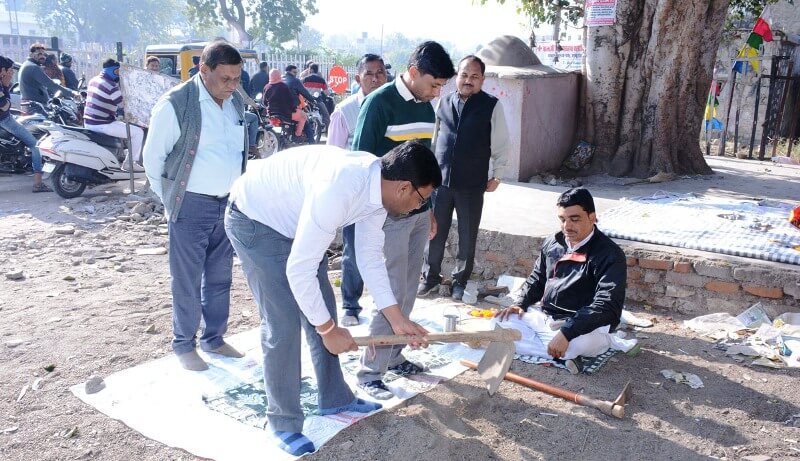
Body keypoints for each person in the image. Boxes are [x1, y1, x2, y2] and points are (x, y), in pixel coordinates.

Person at [224, 141, 438, 456]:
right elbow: (299, 271)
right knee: (283, 322)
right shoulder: (340, 188)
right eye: (422, 199)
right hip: (255, 220)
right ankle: (282, 421)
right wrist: (327, 331)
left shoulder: (379, 188)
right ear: (405, 188)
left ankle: (335, 398)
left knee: (323, 309)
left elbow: (368, 254)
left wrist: (396, 318)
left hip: (296, 222)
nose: (418, 208)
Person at [352, 41, 455, 399]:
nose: (437, 92)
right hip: (386, 213)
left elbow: (424, 166)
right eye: (434, 83)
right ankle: (369, 371)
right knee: (391, 288)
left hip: (415, 213)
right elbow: (361, 163)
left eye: (442, 86)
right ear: (413, 73)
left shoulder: (427, 108)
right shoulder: (378, 103)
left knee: (410, 285)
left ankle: (394, 355)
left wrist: (427, 211)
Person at [142, 40, 248, 372]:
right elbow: (152, 160)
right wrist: (173, 202)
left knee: (220, 278)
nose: (232, 86)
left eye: (237, 78)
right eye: (226, 79)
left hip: (227, 204)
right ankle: (184, 345)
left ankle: (214, 339)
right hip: (191, 205)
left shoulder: (234, 103)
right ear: (204, 70)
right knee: (187, 279)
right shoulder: (176, 105)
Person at [494, 188, 634, 374]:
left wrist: (568, 332)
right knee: (499, 321)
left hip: (583, 326)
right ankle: (556, 351)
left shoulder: (610, 254)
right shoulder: (553, 242)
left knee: (574, 345)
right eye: (562, 219)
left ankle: (587, 345)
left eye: (574, 219)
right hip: (546, 317)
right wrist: (521, 302)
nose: (567, 226)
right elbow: (538, 278)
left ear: (592, 217)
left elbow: (606, 305)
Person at [419, 55, 510, 300]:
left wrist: (498, 175)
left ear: (482, 79)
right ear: (456, 77)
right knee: (434, 233)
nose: (468, 80)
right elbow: (434, 140)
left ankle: (460, 281)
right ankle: (430, 278)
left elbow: (501, 144)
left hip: (472, 183)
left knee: (467, 236)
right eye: (464, 75)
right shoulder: (443, 102)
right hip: (440, 182)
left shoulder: (491, 105)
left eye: (474, 76)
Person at [326, 53, 387, 326]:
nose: (376, 78)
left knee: (385, 250)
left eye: (381, 73)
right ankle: (350, 306)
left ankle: (387, 306)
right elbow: (334, 156)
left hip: (389, 192)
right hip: (357, 194)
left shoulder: (392, 105)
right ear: (358, 78)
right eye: (369, 74)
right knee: (353, 251)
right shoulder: (346, 111)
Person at [0, 55, 52, 193]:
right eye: (10, 70)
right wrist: (5, 87)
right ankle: (38, 183)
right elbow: (4, 106)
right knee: (35, 144)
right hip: (5, 120)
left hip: (6, 118)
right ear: (3, 70)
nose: (12, 73)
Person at [84, 59, 145, 172]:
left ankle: (126, 154)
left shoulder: (93, 80)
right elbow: (124, 106)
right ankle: (129, 163)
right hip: (102, 124)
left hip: (89, 122)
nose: (119, 75)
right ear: (112, 71)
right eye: (118, 72)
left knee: (124, 127)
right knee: (138, 132)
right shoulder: (110, 86)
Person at [18, 43, 78, 114]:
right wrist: (72, 93)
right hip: (35, 108)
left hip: (32, 106)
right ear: (31, 54)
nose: (43, 57)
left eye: (44, 54)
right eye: (39, 54)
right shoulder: (33, 67)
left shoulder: (27, 65)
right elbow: (51, 85)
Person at [262, 68, 309, 141]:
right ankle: (297, 135)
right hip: (286, 114)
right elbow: (290, 101)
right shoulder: (283, 86)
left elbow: (264, 102)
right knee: (304, 116)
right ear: (279, 76)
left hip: (272, 114)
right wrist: (294, 108)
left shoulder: (266, 87)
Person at [283, 64, 329, 133]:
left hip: (304, 101)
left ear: (311, 70)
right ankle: (328, 132)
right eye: (295, 72)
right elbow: (326, 93)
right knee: (326, 115)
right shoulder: (321, 80)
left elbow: (300, 89)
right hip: (316, 100)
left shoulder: (305, 79)